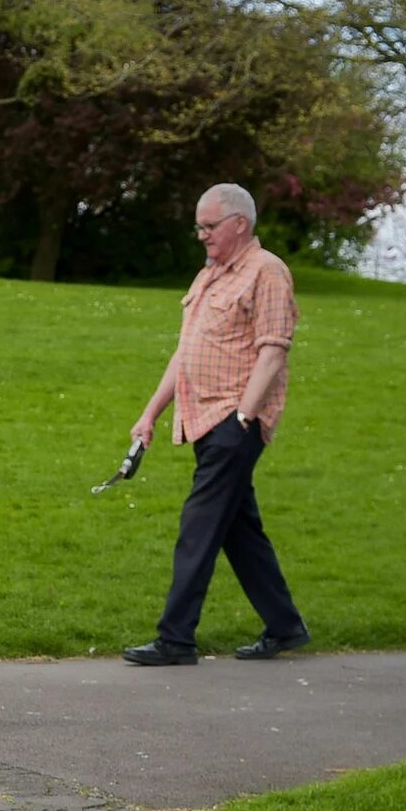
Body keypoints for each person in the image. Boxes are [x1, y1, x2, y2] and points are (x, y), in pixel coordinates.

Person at [122, 183, 309, 667]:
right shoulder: (211, 274)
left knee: (199, 526)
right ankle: (286, 627)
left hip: (234, 422)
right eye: (199, 227)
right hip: (203, 419)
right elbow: (185, 352)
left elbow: (273, 351)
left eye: (209, 226)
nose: (202, 236)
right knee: (238, 529)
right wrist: (150, 414)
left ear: (239, 224)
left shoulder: (267, 273)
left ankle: (176, 639)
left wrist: (245, 416)